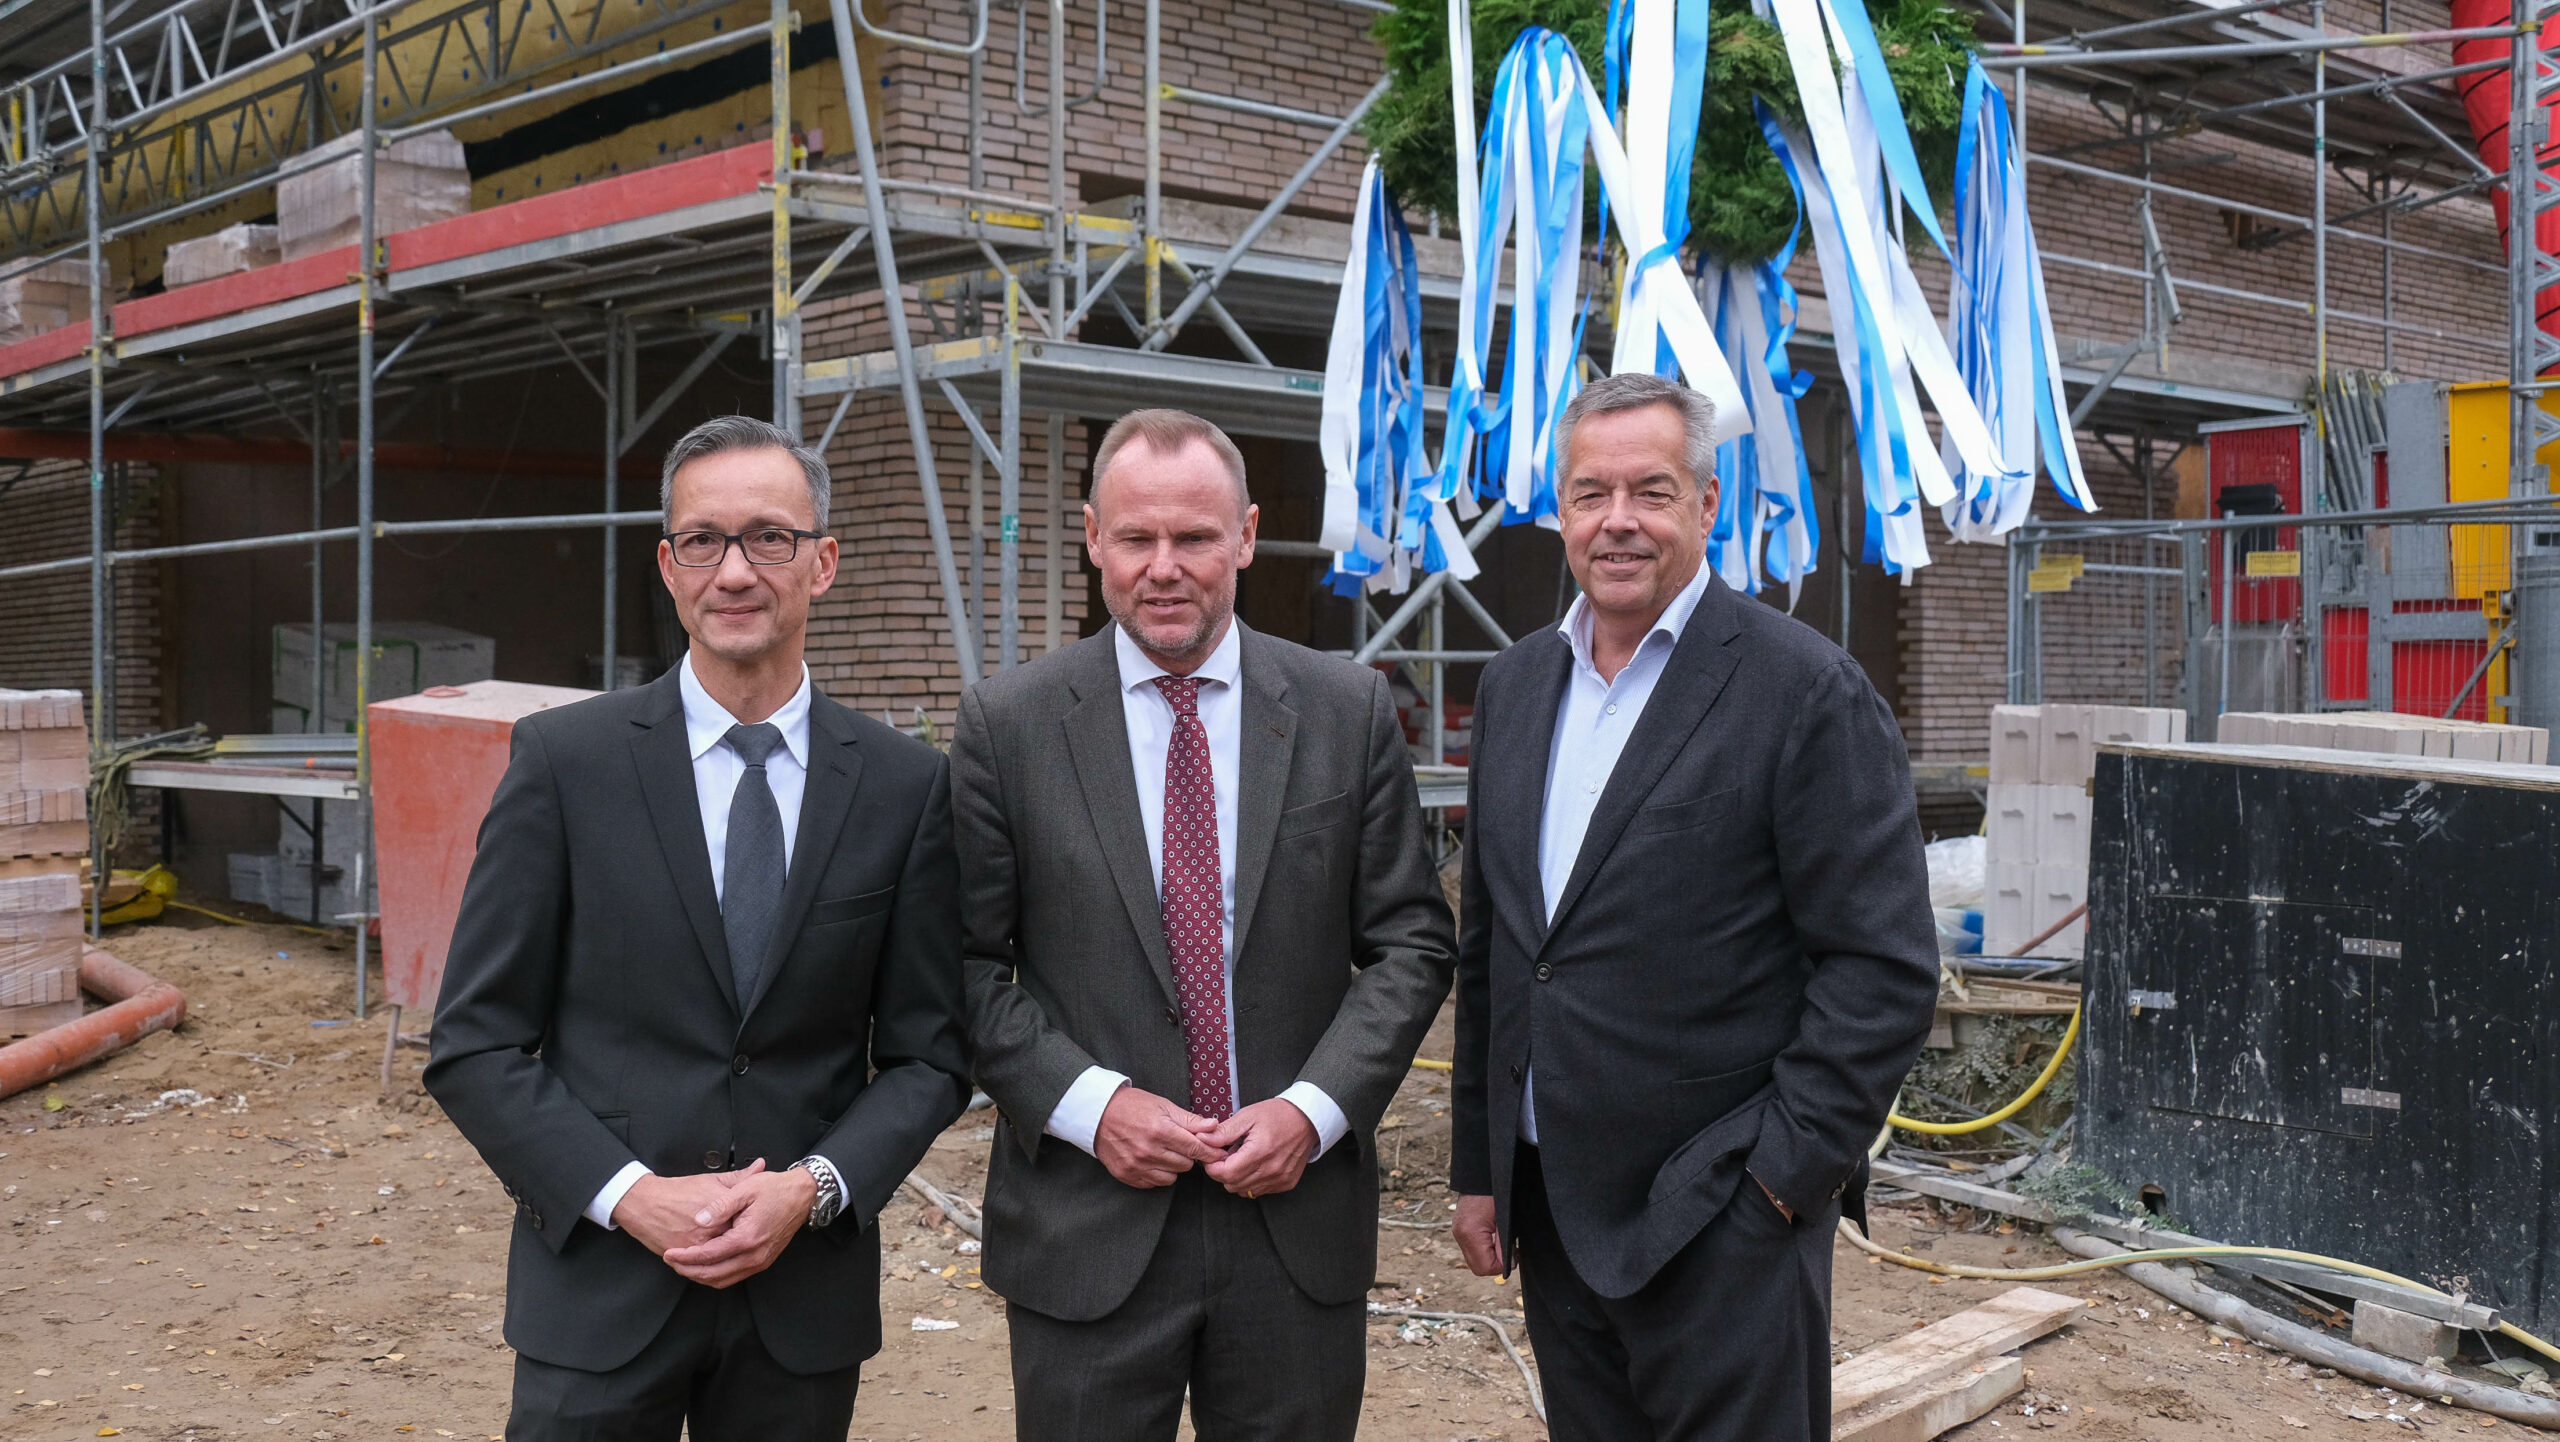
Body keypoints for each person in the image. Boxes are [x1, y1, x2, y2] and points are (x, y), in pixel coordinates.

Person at [426, 414, 970, 1440]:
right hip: (599, 1293)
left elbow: (927, 1056)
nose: (735, 570)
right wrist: (630, 1195)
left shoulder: (904, 787)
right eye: (704, 541)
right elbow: (475, 1042)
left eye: (769, 536)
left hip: (798, 1304)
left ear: (825, 561)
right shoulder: (564, 764)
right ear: (668, 566)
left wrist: (810, 1190)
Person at [1447, 372, 1939, 1441]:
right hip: (1552, 1204)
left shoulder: (1802, 690)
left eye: (1650, 490)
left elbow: (1881, 967)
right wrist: (1479, 1171)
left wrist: (1780, 1182)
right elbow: (1495, 946)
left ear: (1706, 504)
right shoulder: (1516, 686)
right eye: (1589, 493)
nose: (1617, 520)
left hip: (1720, 1217)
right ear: (1558, 510)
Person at [954, 408, 1456, 1441]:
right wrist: (1091, 1105)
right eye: (1136, 538)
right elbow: (963, 965)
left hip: (1292, 1226)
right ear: (1093, 535)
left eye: (1193, 537)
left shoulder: (1343, 710)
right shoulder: (1009, 725)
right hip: (1086, 1232)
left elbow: (1411, 940)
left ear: (1246, 535)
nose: (1164, 566)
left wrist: (1313, 1110)